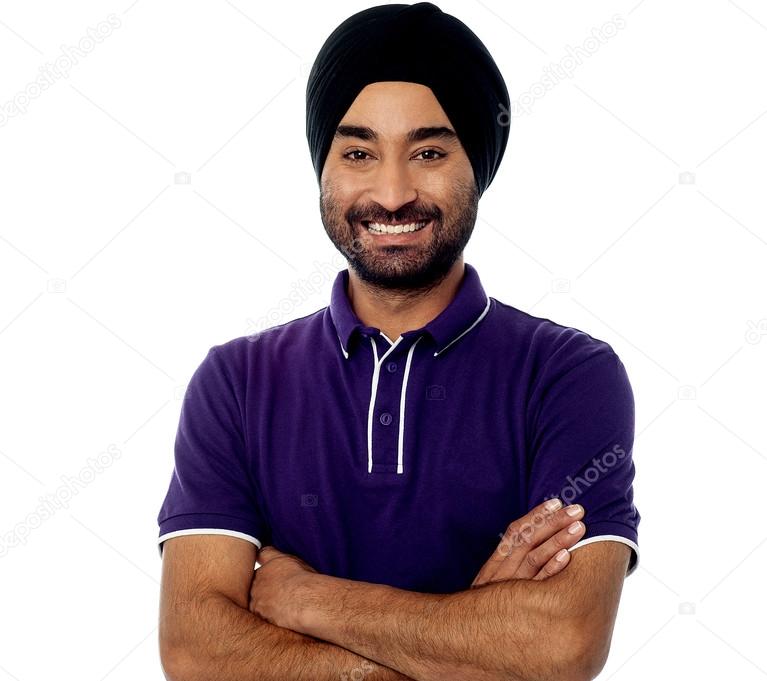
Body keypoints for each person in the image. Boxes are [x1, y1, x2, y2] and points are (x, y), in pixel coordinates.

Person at [157, 4, 640, 680]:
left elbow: (562, 644)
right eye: (357, 152)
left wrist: (303, 598)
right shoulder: (235, 379)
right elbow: (195, 648)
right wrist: (465, 642)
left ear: (477, 167)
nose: (390, 193)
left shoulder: (567, 373)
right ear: (321, 167)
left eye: (429, 152)